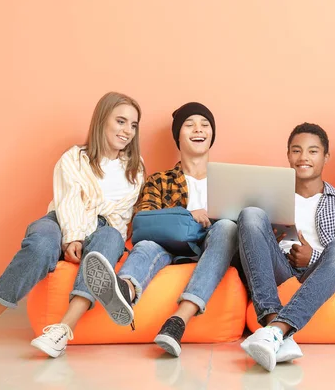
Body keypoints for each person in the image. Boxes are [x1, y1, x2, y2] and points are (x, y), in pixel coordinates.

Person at [0, 92, 145, 357]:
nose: (128, 131)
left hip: (104, 228)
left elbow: (121, 216)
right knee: (41, 242)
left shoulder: (136, 168)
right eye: (121, 121)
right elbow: (69, 201)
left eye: (134, 125)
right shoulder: (74, 158)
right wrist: (73, 238)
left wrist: (92, 235)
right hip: (62, 221)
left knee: (111, 240)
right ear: (102, 120)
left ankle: (61, 330)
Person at [82, 102, 238, 357]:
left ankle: (178, 320)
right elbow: (144, 219)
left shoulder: (231, 180)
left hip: (215, 247)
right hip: (169, 247)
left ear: (212, 135)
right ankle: (123, 290)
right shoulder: (161, 180)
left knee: (227, 229)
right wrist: (189, 216)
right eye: (189, 125)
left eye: (205, 125)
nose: (198, 129)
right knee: (145, 245)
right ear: (178, 135)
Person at [239, 123, 335, 371]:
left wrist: (312, 257)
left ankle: (277, 329)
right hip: (281, 269)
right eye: (296, 151)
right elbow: (253, 246)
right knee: (251, 213)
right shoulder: (269, 197)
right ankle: (271, 324)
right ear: (288, 155)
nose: (303, 158)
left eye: (313, 151)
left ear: (326, 156)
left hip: (322, 271)